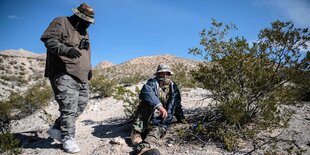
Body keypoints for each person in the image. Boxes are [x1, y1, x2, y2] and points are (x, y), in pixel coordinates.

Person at [40, 3, 94, 153]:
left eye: (90, 22)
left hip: (81, 75)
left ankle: (57, 128)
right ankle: (68, 139)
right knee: (68, 108)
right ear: (78, 16)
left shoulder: (84, 32)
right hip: (62, 72)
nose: (88, 25)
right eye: (86, 21)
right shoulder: (61, 22)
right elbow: (48, 39)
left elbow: (86, 53)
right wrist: (65, 50)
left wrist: (89, 68)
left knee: (81, 104)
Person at [131, 64, 186, 155]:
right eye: (161, 74)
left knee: (155, 132)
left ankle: (145, 149)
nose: (165, 76)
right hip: (144, 120)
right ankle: (137, 136)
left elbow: (177, 105)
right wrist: (159, 106)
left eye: (167, 74)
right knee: (146, 103)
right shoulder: (151, 84)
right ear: (157, 75)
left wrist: (181, 118)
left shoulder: (173, 87)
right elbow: (146, 92)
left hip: (159, 121)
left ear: (170, 75)